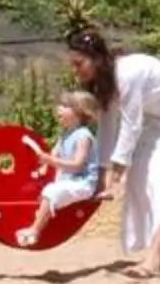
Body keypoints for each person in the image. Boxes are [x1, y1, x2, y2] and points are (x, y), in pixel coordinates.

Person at [64, 28, 160, 278]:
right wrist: (102, 177)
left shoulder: (127, 74)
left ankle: (155, 260)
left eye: (79, 63)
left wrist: (117, 171)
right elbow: (108, 127)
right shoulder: (104, 81)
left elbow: (131, 125)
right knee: (140, 174)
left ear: (97, 59)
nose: (75, 70)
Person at [17, 90, 104, 247]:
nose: (59, 108)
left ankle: (35, 231)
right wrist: (44, 167)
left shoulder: (83, 136)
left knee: (51, 192)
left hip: (82, 183)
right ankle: (38, 217)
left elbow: (77, 164)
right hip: (68, 179)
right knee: (35, 188)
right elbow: (54, 153)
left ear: (79, 113)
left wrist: (50, 161)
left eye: (65, 106)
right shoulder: (65, 134)